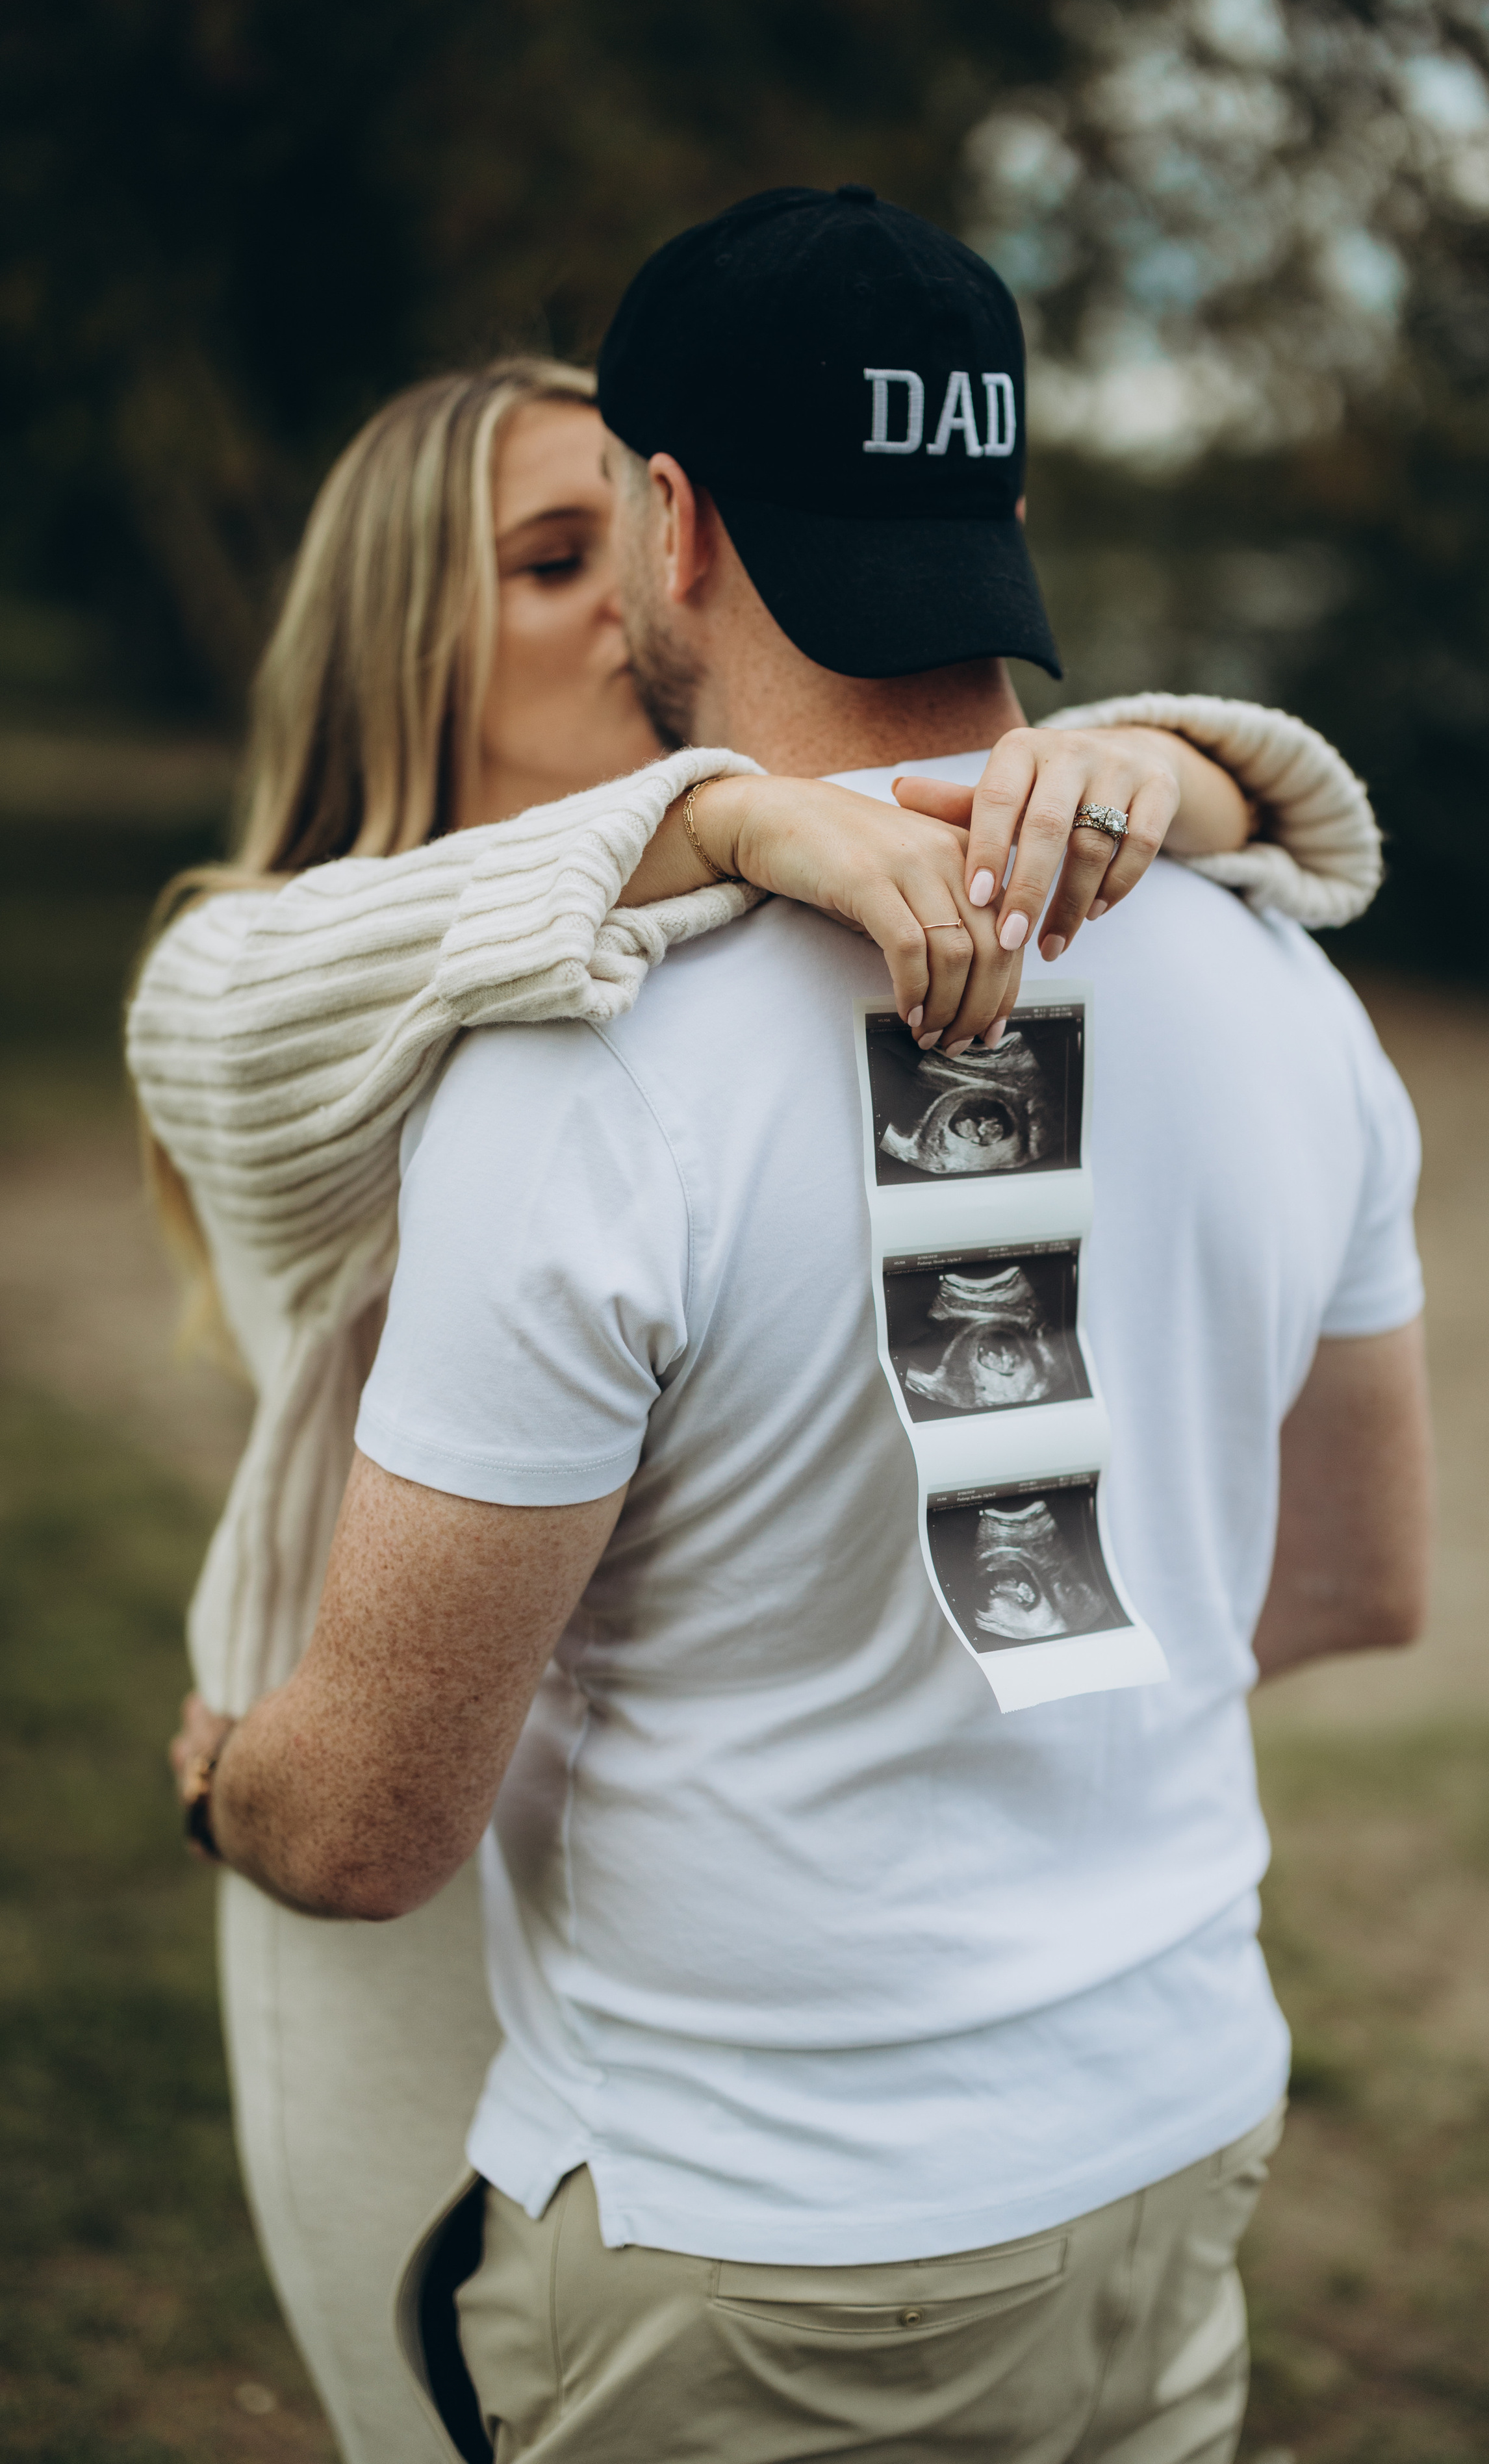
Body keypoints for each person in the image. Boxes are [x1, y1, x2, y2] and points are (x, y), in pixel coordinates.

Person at [141, 242, 1397, 2460]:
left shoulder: (589, 1077)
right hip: (1173, 2108)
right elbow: (1351, 1588)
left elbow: (355, 1826)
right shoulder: (1283, 986)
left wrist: (229, 1773)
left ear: (677, 526)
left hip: (754, 2210)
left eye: (587, 527)